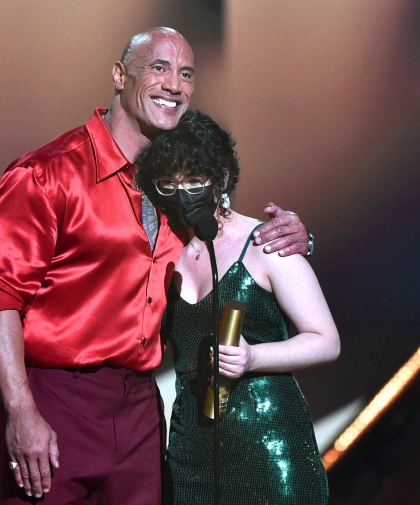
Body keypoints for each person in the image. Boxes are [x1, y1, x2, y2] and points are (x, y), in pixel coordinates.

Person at [0, 28, 312, 504]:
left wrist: (296, 234)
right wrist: (20, 409)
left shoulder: (173, 188)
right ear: (118, 74)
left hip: (141, 410)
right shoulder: (48, 174)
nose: (174, 84)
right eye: (159, 67)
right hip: (57, 399)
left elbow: (232, 236)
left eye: (186, 73)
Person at [135, 109, 340, 504]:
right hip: (190, 449)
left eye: (195, 180)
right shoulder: (161, 252)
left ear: (221, 178)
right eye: (168, 184)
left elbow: (325, 340)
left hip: (269, 446)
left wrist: (252, 357)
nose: (183, 194)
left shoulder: (267, 243)